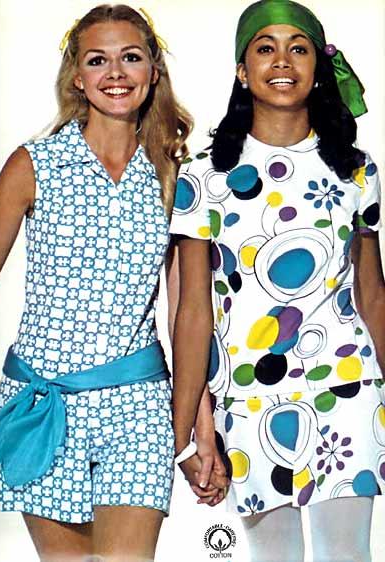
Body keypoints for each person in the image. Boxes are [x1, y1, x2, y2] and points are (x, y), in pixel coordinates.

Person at [170, 1, 385, 560]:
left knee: (348, 555)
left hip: (347, 385)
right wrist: (187, 428)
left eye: (299, 48)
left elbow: (372, 294)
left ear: (318, 68)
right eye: (265, 48)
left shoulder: (355, 170)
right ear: (242, 71)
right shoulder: (205, 176)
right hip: (248, 396)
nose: (282, 61)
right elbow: (193, 311)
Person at [0, 4, 192, 562]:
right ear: (77, 76)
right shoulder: (33, 165)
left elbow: (187, 312)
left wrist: (195, 422)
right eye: (98, 60)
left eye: (131, 57)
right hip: (43, 403)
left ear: (153, 70)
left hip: (138, 404)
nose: (116, 73)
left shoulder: (174, 173)